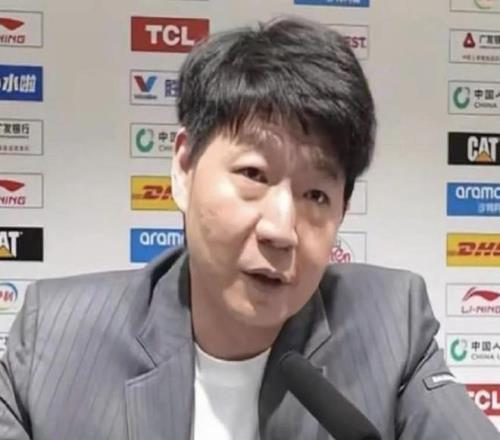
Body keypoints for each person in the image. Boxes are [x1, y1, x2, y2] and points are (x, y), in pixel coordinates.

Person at [0, 16, 498, 440]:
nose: (281, 230)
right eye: (254, 175)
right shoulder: (54, 341)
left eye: (316, 195)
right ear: (184, 168)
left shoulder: (392, 324)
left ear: (342, 212)